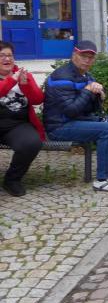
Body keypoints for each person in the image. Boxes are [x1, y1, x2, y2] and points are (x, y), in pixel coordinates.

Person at [44, 41, 108, 193]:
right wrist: (87, 91)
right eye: (83, 56)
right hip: (60, 127)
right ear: (74, 55)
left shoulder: (86, 76)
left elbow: (90, 109)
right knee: (107, 129)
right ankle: (103, 180)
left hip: (79, 121)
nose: (87, 60)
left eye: (91, 57)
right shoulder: (61, 77)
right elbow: (71, 111)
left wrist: (99, 96)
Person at [0, 42, 44, 197]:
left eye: (10, 55)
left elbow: (38, 99)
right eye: (2, 55)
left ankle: (12, 180)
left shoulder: (24, 75)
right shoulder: (13, 78)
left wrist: (26, 84)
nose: (7, 59)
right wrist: (12, 80)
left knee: (31, 143)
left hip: (17, 125)